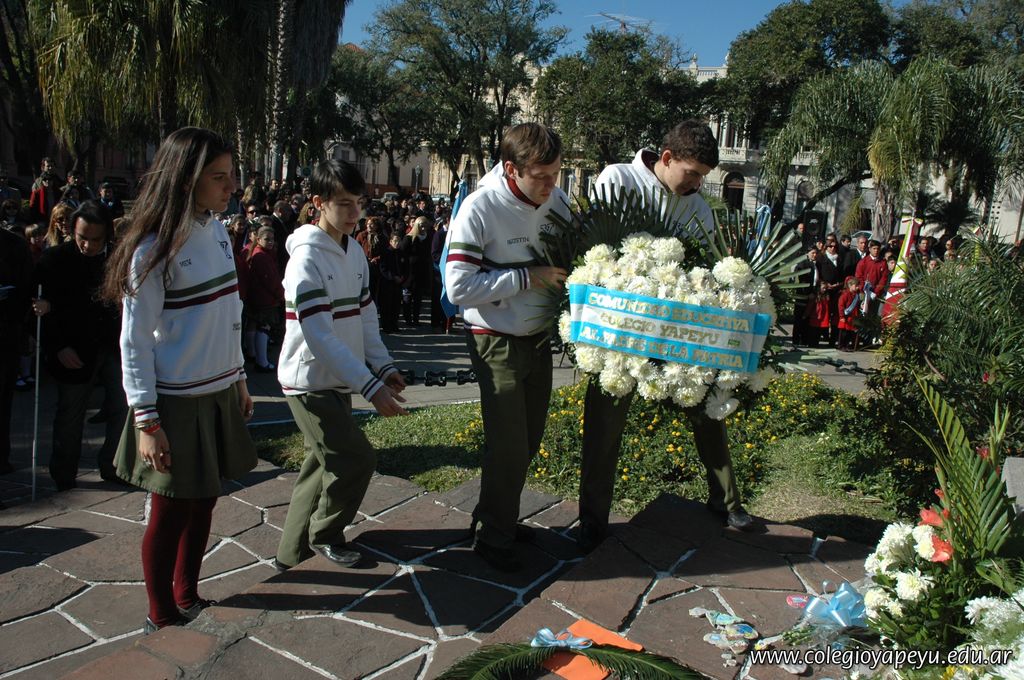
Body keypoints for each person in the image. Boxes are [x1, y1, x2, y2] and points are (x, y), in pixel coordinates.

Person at [102, 127, 257, 632]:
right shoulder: (152, 250)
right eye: (218, 177)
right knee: (170, 509)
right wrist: (146, 420)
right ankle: (160, 613)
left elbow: (230, 314)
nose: (230, 186)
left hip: (218, 389)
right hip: (174, 402)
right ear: (187, 179)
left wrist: (238, 378)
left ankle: (187, 593)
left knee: (205, 498)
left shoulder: (218, 232)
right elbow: (134, 342)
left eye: (230, 175)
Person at [577, 120, 755, 555]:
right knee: (604, 424)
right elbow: (596, 248)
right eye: (691, 173)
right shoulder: (618, 179)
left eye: (703, 177)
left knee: (708, 403)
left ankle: (727, 500)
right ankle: (592, 521)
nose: (696, 184)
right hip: (621, 329)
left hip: (676, 330)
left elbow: (704, 265)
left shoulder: (699, 208)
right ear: (668, 157)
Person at [445, 122, 570, 572]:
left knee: (529, 439)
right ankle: (494, 539)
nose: (551, 186)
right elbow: (458, 286)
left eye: (556, 175)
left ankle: (495, 517)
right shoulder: (479, 208)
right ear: (511, 169)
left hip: (538, 337)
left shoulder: (557, 200)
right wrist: (526, 278)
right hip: (494, 339)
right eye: (541, 177)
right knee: (508, 446)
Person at [274, 160, 407, 570]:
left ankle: (290, 557)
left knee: (319, 467)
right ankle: (325, 535)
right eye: (344, 203)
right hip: (309, 381)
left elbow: (366, 316)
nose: (355, 212)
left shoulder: (354, 252)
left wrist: (383, 366)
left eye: (359, 202)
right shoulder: (305, 259)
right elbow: (320, 336)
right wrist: (371, 386)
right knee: (355, 459)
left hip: (338, 380)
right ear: (319, 203)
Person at [33, 201, 127, 488]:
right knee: (70, 414)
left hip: (113, 345)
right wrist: (58, 347)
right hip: (73, 348)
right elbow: (40, 308)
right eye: (82, 238)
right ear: (72, 230)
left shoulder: (117, 258)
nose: (88, 245)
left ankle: (113, 465)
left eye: (96, 239)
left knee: (123, 406)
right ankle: (64, 472)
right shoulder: (54, 259)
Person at [0, 224, 33, 475]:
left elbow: (26, 290)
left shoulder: (14, 245)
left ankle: (1, 457)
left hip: (5, 335)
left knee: (3, 402)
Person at [243, 225, 284, 372]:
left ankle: (254, 354)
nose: (271, 242)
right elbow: (271, 280)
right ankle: (262, 361)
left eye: (272, 239)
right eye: (267, 239)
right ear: (259, 239)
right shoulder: (261, 256)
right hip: (264, 298)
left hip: (259, 297)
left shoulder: (261, 253)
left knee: (256, 325)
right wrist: (281, 295)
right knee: (264, 327)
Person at [836, 276, 862, 351]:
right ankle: (841, 346)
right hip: (845, 317)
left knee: (849, 333)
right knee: (843, 333)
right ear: (850, 285)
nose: (857, 287)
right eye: (856, 286)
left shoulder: (856, 295)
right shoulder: (845, 294)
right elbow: (841, 305)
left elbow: (857, 305)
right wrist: (842, 316)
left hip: (852, 317)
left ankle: (846, 345)